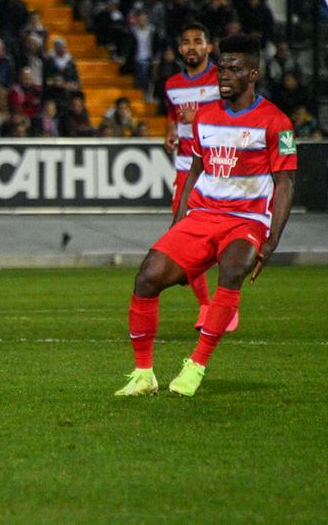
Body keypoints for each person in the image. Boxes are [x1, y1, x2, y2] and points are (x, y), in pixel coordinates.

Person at [118, 34, 296, 398]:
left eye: (234, 69)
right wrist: (179, 222)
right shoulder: (205, 117)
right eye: (222, 67)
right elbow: (195, 172)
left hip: (246, 220)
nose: (224, 74)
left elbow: (286, 183)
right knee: (147, 276)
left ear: (252, 74)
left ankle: (195, 366)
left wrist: (272, 240)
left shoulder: (277, 122)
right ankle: (143, 374)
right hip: (202, 216)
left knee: (231, 271)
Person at [161, 23, 238, 332]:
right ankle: (206, 307)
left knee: (225, 239)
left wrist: (200, 118)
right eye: (186, 42)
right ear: (180, 49)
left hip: (219, 168)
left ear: (209, 47)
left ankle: (228, 306)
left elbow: (234, 114)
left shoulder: (221, 78)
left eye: (198, 41)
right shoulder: (172, 85)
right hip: (186, 168)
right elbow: (172, 113)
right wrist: (171, 131)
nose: (191, 47)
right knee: (183, 239)